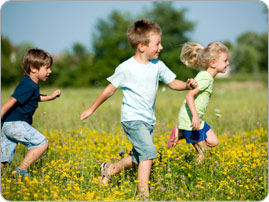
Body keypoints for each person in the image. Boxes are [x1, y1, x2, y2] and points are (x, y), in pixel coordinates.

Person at [80, 18, 197, 200]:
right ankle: (143, 195)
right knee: (148, 153)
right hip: (132, 119)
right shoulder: (126, 68)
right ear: (142, 46)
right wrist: (92, 108)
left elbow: (173, 83)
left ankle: (110, 169)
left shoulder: (158, 65)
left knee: (138, 157)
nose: (161, 47)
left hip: (148, 120)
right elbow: (110, 90)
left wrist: (187, 85)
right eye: (157, 43)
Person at [1, 48, 61, 177]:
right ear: (33, 68)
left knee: (3, 158)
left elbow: (34, 97)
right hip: (15, 124)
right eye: (47, 68)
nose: (50, 71)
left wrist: (50, 96)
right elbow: (11, 101)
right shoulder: (29, 85)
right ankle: (21, 171)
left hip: (7, 124)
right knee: (41, 143)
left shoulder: (30, 85)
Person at [167, 41, 229, 163]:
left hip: (197, 119)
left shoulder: (208, 77)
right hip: (192, 119)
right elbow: (189, 95)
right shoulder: (205, 77)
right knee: (203, 153)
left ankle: (180, 133)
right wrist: (195, 117)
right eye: (225, 60)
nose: (228, 63)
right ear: (213, 63)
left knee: (213, 142)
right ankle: (194, 178)